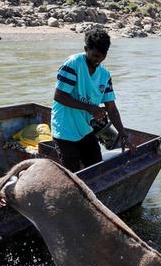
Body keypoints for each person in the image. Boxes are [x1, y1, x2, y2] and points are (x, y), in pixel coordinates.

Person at [51, 29, 134, 172]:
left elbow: (111, 108)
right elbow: (59, 96)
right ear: (86, 49)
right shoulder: (73, 64)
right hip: (65, 129)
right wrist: (90, 108)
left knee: (96, 167)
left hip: (85, 129)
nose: (98, 60)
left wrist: (123, 134)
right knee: (73, 175)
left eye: (102, 56)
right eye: (95, 55)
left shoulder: (104, 74)